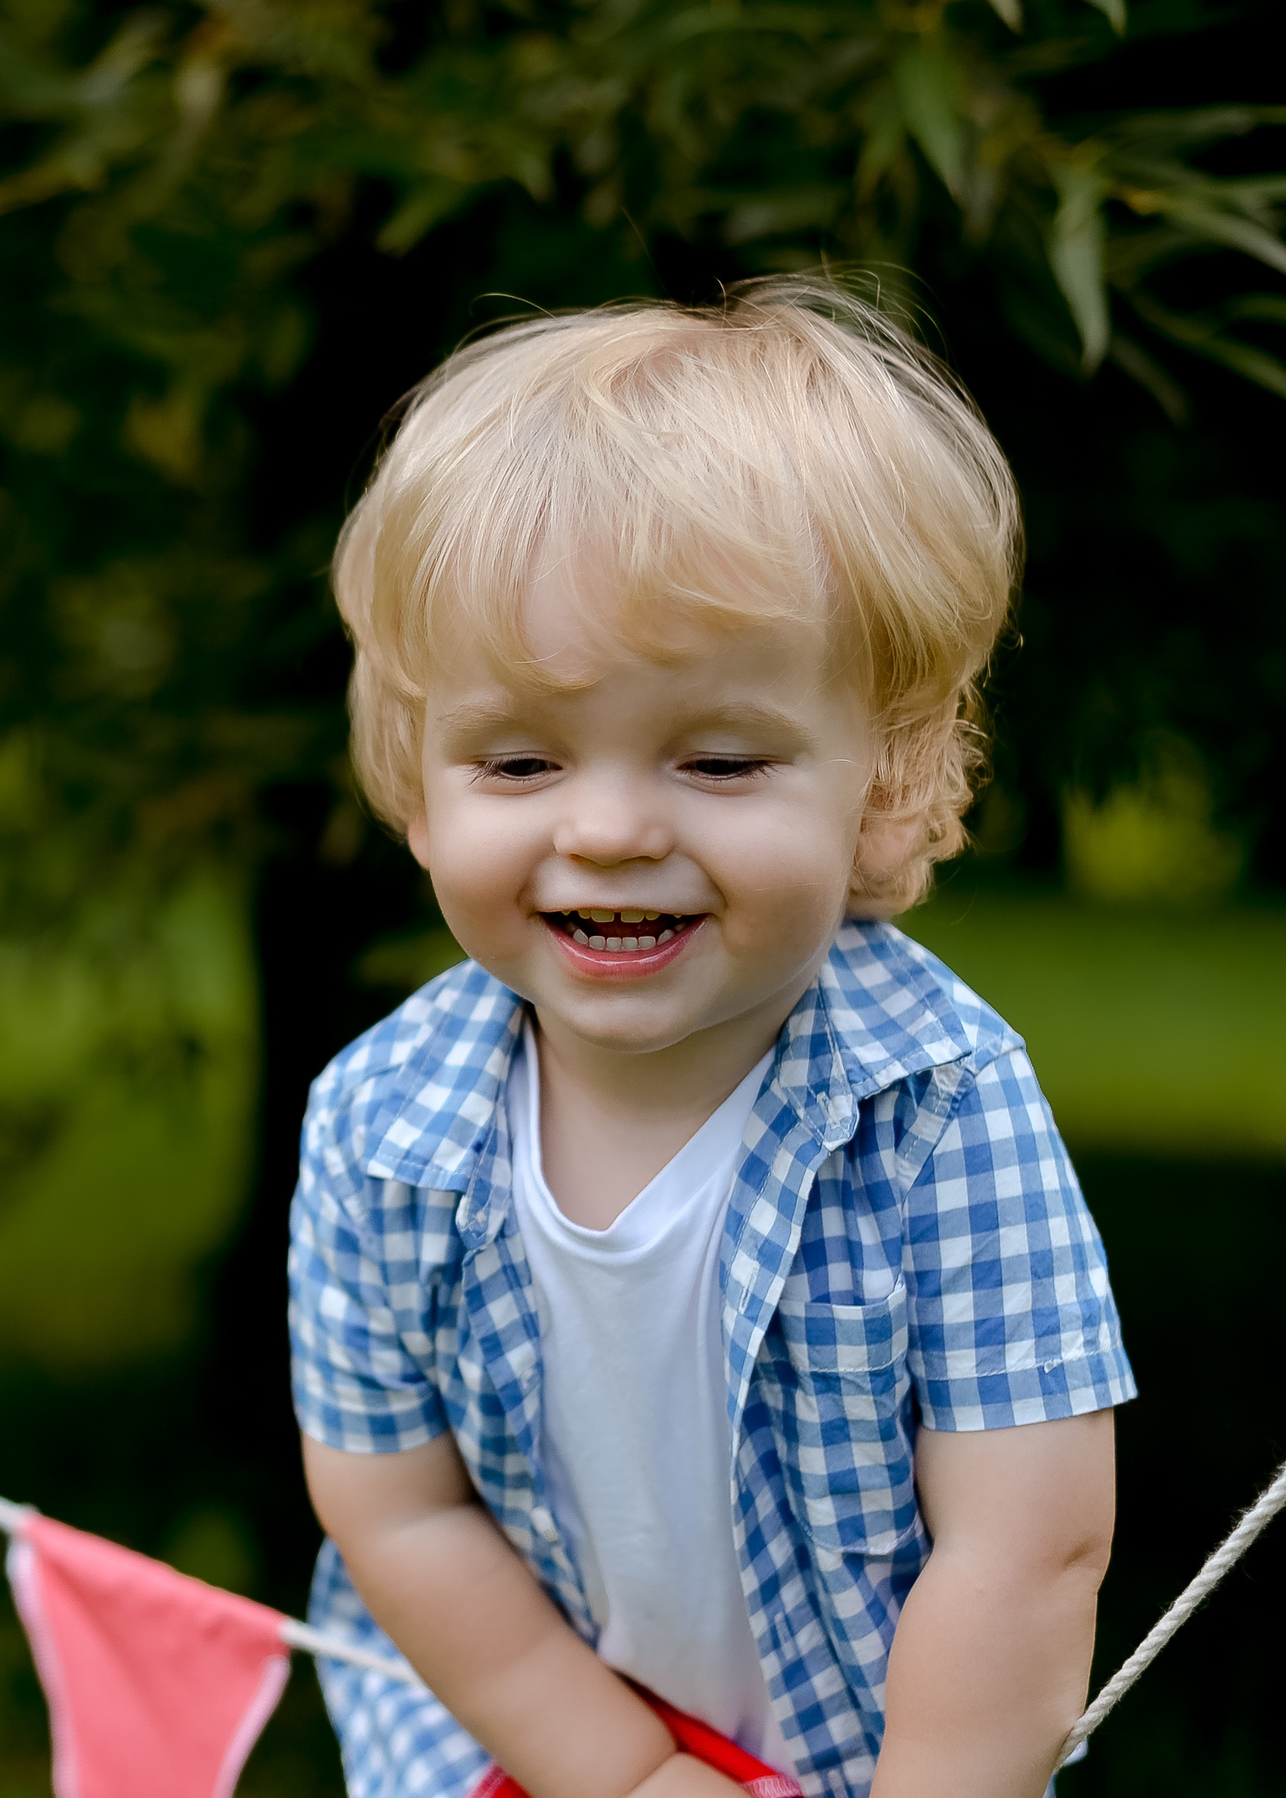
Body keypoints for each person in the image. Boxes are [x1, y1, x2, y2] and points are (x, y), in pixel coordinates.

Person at [287, 275, 1134, 1798]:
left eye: (721, 757)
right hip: (519, 1750)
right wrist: (620, 1773)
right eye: (524, 756)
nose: (608, 829)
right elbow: (395, 1505)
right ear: (419, 775)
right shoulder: (382, 1124)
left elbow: (1028, 1541)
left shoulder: (938, 1110)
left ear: (880, 778)